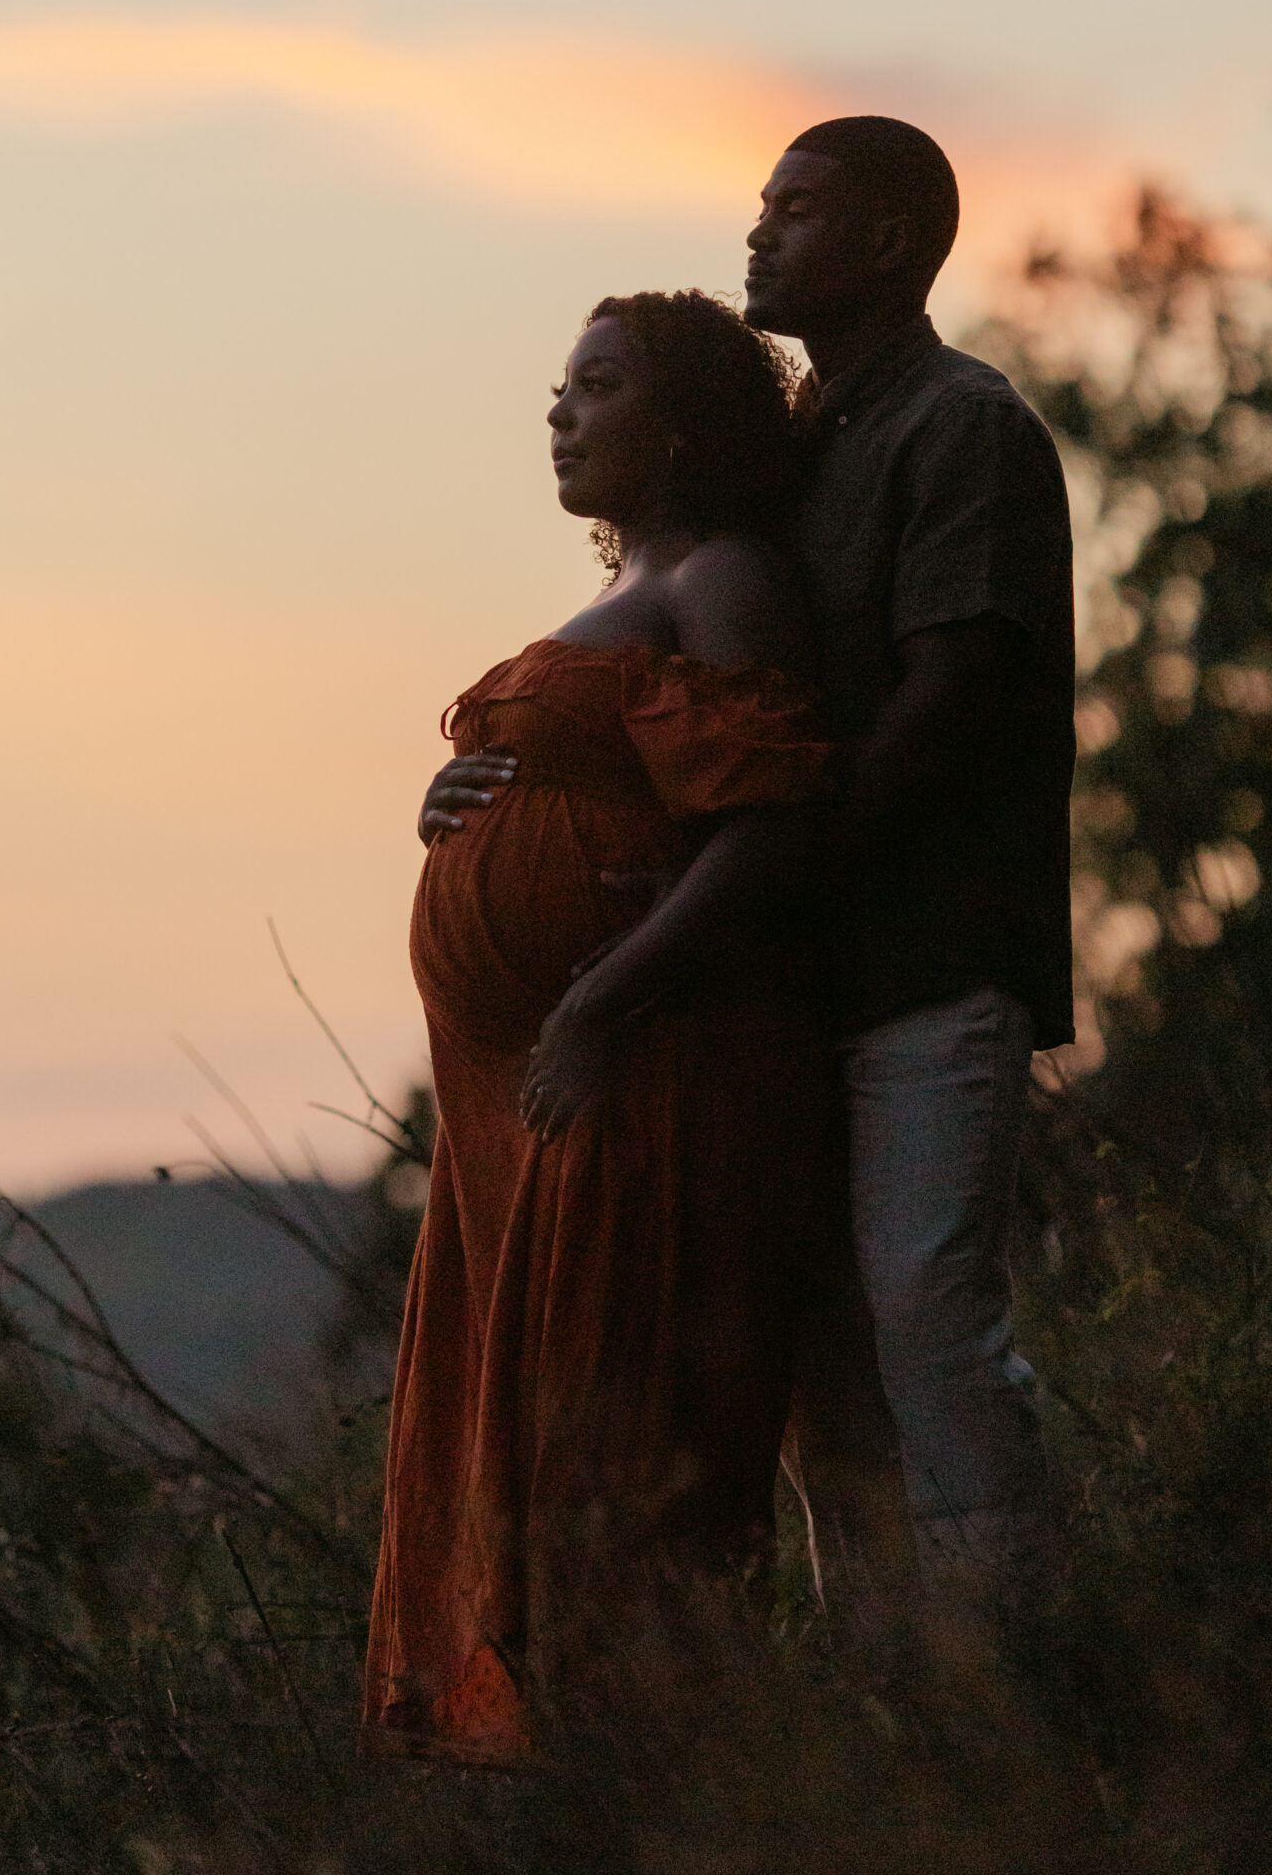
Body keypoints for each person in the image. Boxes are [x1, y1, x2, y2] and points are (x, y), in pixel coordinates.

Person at [364, 290, 835, 1763]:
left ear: (685, 418)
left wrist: (604, 1000)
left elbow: (769, 826)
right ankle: (571, 1786)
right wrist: (451, 809)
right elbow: (594, 782)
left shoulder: (728, 577)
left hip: (643, 1073)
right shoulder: (631, 590)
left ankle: (667, 1783)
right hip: (526, 1098)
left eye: (600, 384)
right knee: (533, 1448)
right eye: (563, 386)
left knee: (615, 1449)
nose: (561, 410)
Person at [741, 115, 1076, 1678]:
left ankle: (1022, 1672)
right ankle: (889, 1709)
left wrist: (795, 862)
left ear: (888, 242)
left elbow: (956, 685)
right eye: (763, 206)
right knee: (821, 1359)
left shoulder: (962, 426)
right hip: (803, 976)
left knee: (929, 1317)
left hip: (934, 961)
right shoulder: (803, 443)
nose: (759, 234)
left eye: (795, 212)